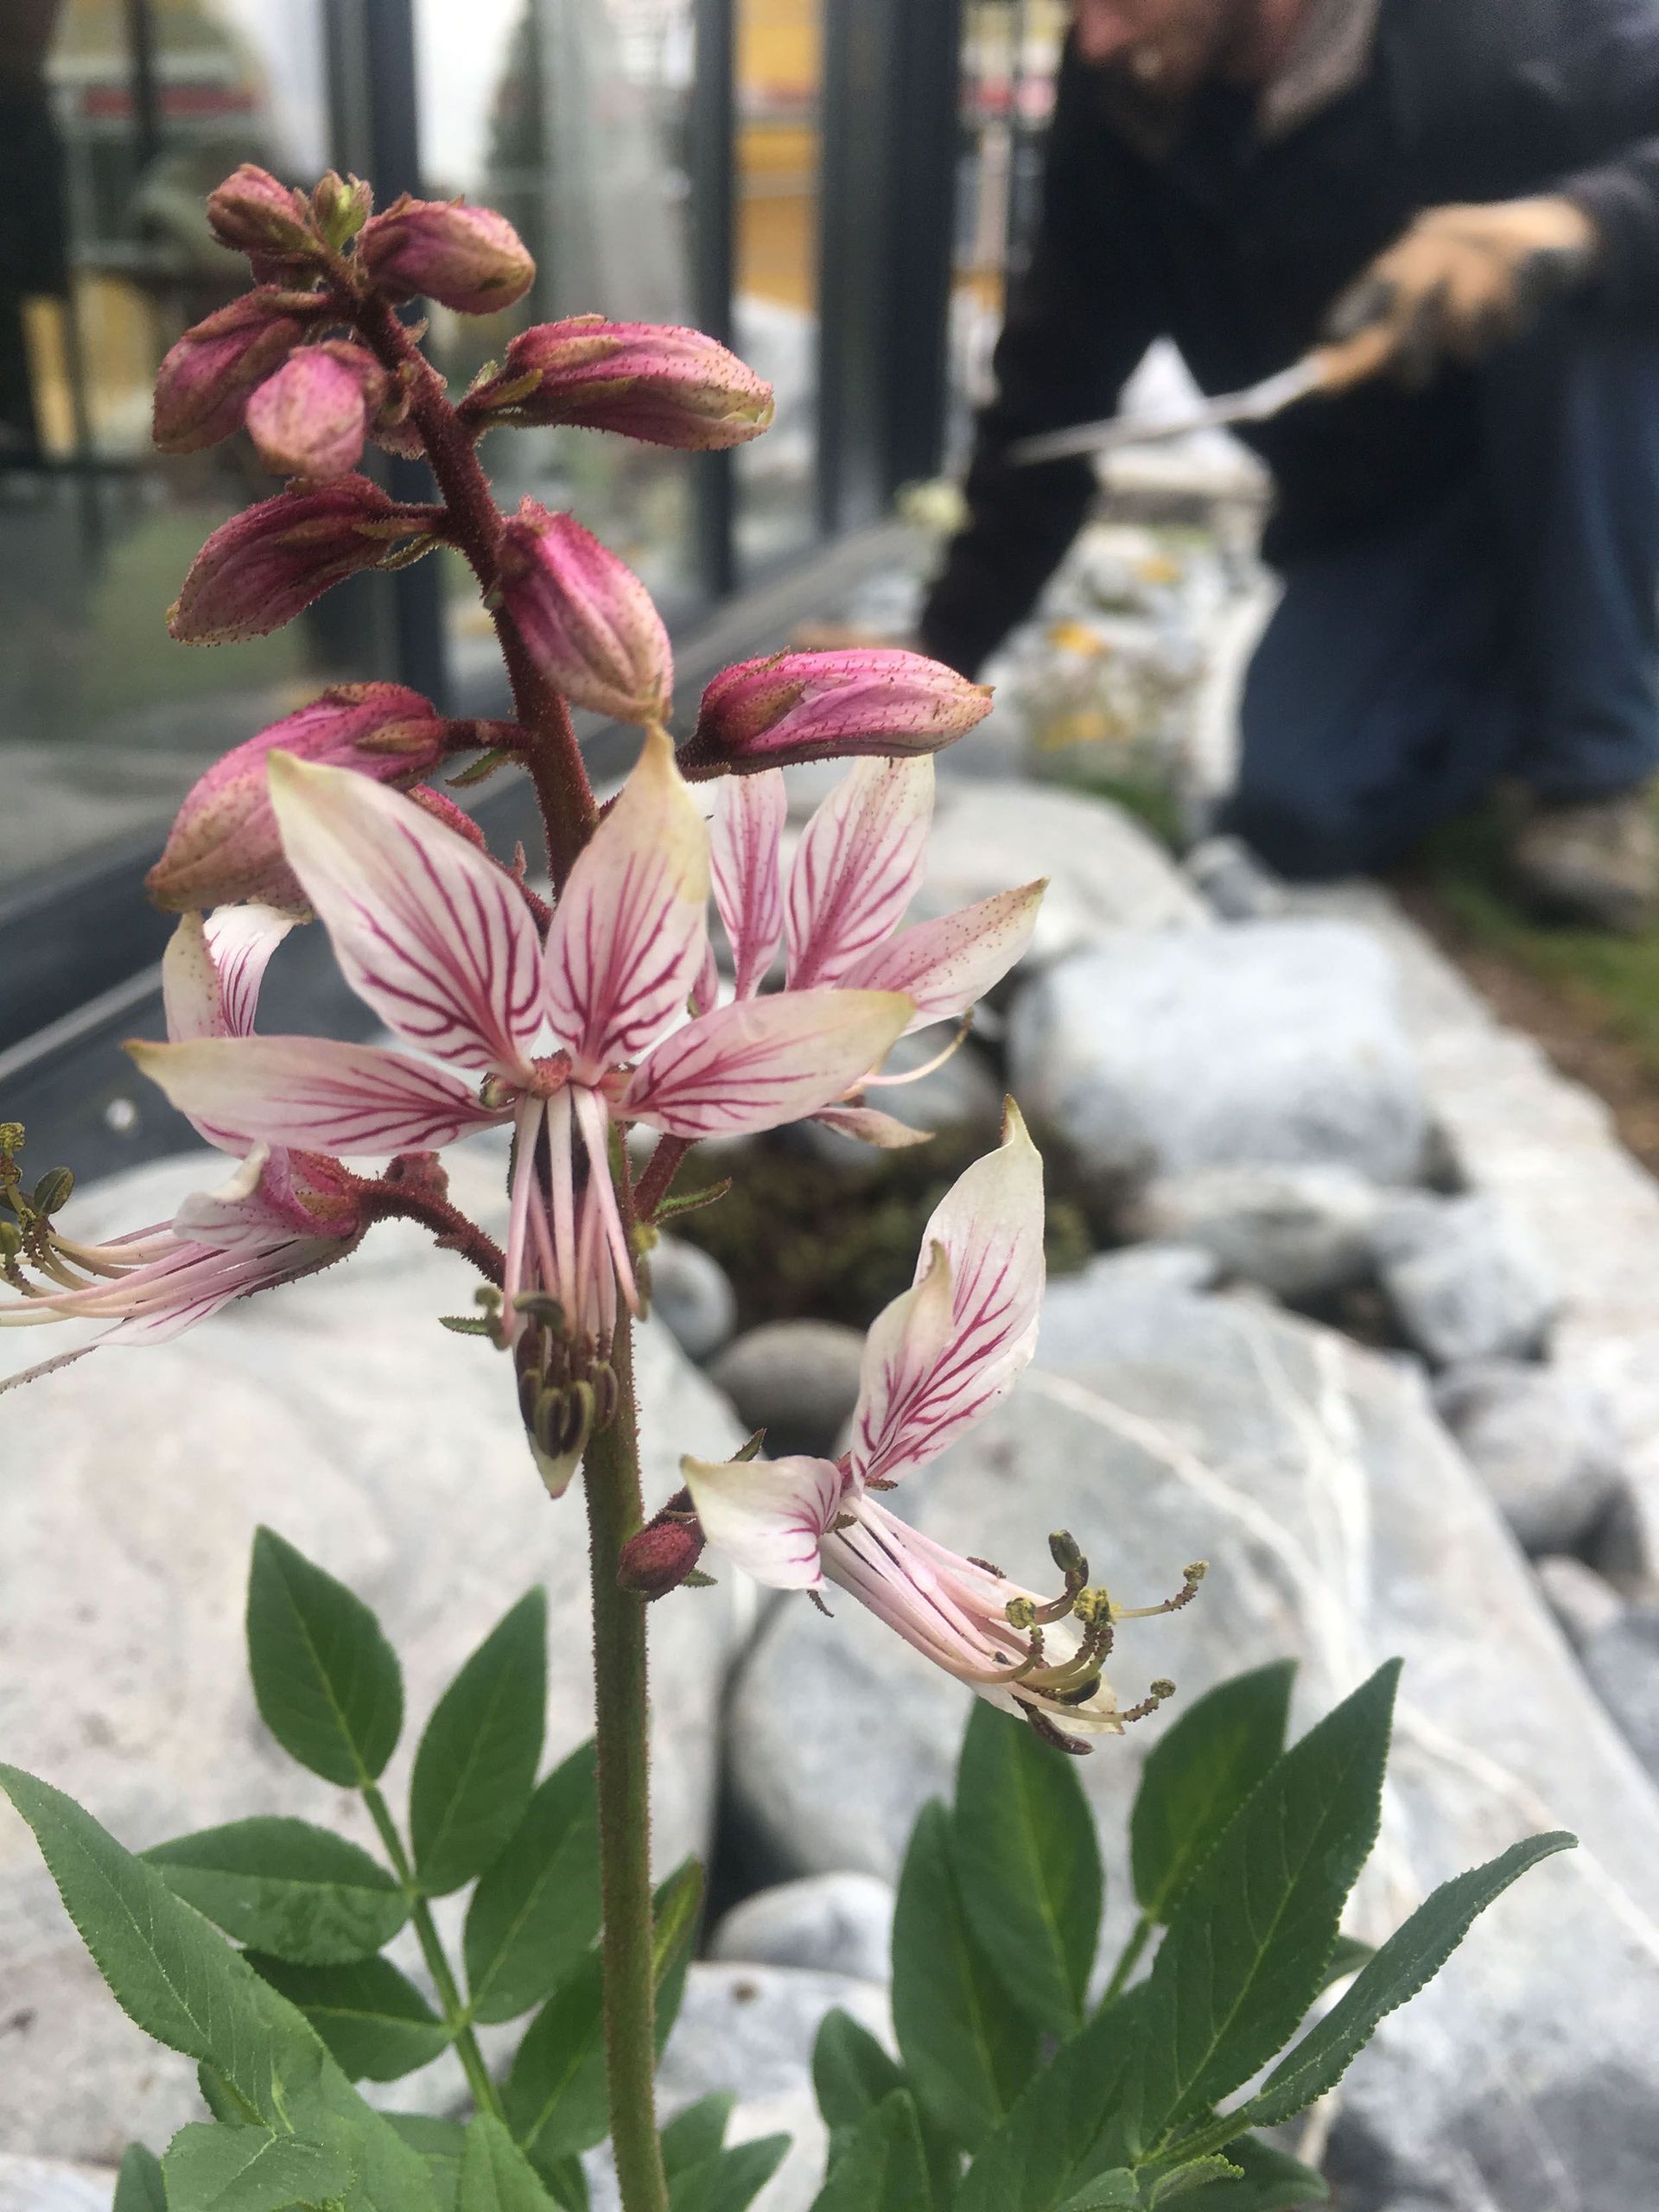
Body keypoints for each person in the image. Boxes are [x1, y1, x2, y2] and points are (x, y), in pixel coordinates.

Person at [917, 0, 1659, 931]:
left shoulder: (1517, 25)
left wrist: (1584, 221)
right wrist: (932, 664)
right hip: (1387, 515)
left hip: (1577, 462)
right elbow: (1052, 385)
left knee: (1591, 303)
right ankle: (1517, 669)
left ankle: (1594, 774)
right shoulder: (1131, 84)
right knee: (1295, 809)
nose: (1094, 36)